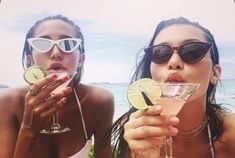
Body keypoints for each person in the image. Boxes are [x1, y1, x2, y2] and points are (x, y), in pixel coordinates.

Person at [111, 17, 235, 158]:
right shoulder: (136, 131)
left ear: (215, 73)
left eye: (192, 51)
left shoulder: (232, 132)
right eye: (160, 52)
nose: (174, 62)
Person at [0, 15, 114, 158]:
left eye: (68, 44)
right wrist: (28, 131)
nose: (56, 54)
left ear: (81, 59)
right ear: (30, 59)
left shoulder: (100, 101)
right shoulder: (6, 102)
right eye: (42, 43)